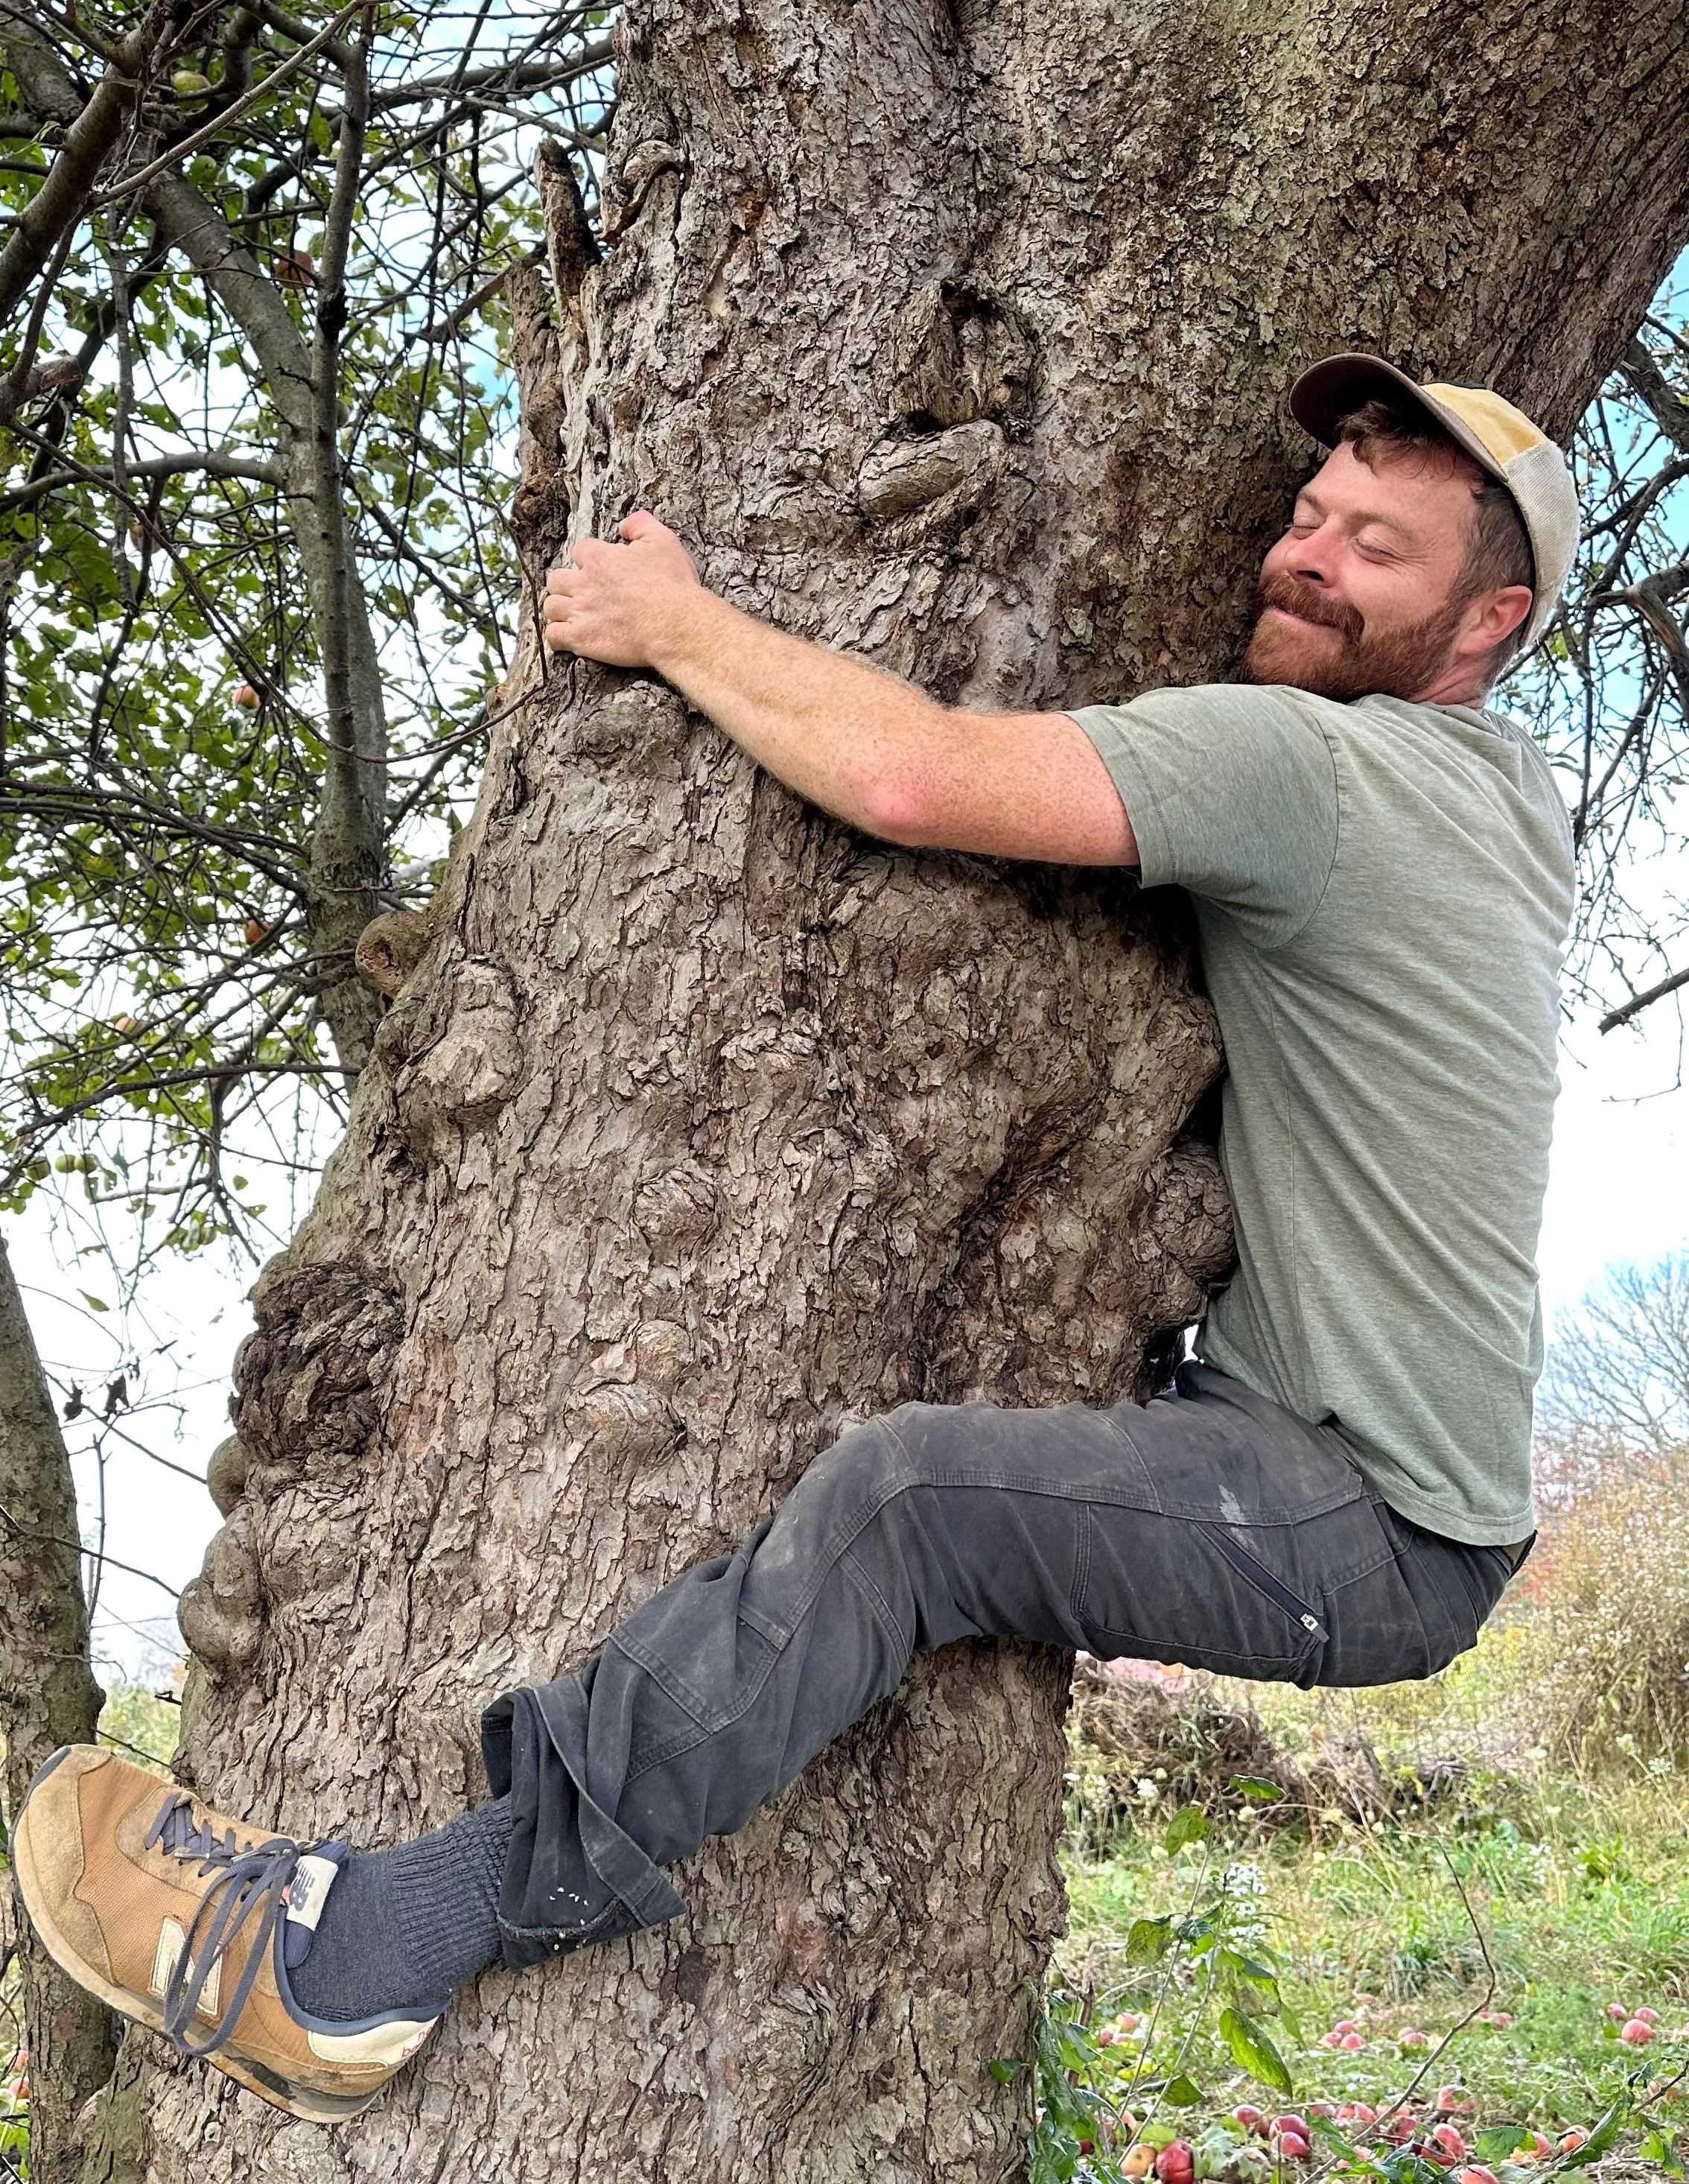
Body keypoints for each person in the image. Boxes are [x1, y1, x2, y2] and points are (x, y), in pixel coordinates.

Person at [13, 354, 1579, 2123]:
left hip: (1374, 1514)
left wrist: (673, 621)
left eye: (1379, 548)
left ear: (1487, 619)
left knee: (909, 1507)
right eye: (1310, 519)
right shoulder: (1507, 799)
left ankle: (351, 1959)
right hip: (1308, 1450)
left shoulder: (1327, 774)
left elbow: (916, 779)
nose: (1309, 558)